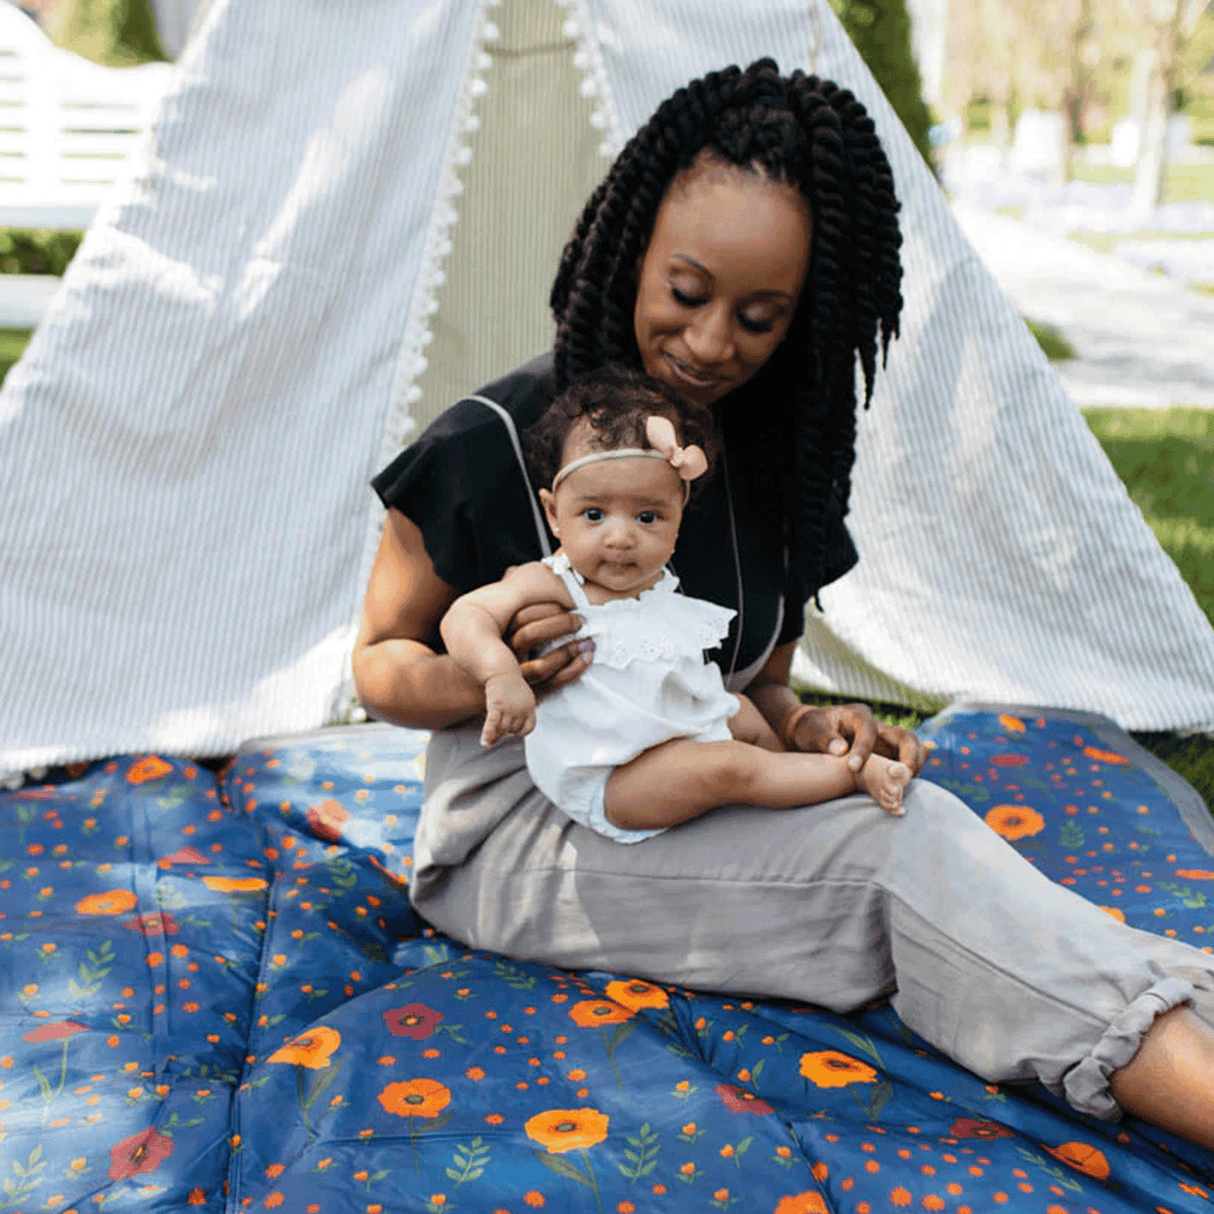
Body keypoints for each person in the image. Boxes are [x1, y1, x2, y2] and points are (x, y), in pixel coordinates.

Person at [353, 58, 1214, 1147]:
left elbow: (755, 677)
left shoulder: (768, 459)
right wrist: (491, 673)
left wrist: (811, 722)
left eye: (759, 316)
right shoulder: (493, 441)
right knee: (897, 859)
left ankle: (1161, 1013)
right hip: (526, 835)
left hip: (694, 784)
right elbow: (376, 662)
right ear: (628, 250)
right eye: (685, 292)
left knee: (919, 826)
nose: (712, 344)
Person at [440, 364, 912, 841]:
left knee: (742, 714)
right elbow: (467, 615)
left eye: (648, 516)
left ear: (678, 517)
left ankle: (787, 791)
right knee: (728, 763)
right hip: (612, 778)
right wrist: (499, 672)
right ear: (553, 513)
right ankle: (853, 774)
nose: (621, 537)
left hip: (679, 738)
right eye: (594, 514)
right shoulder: (554, 582)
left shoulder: (659, 581)